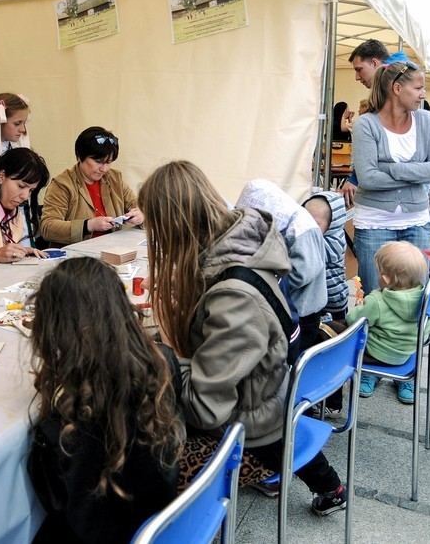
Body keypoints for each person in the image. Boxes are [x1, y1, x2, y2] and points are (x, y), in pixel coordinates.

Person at [140, 160, 348, 516]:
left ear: (172, 225)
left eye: (154, 229)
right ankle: (330, 486)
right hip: (266, 400)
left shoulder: (234, 294)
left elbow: (205, 409)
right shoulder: (238, 246)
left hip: (247, 428)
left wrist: (168, 346)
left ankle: (172, 524)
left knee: (132, 461)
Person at [27, 256, 182, 543]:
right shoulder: (162, 365)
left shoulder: (64, 423)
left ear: (52, 332)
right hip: (160, 520)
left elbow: (52, 501)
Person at [351, 61, 430, 295]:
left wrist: (392, 168)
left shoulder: (426, 120)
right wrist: (418, 173)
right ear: (397, 88)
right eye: (418, 88)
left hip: (417, 221)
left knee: (417, 295)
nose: (423, 95)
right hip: (374, 222)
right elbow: (368, 179)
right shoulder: (366, 123)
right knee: (375, 295)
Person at [333, 241, 430, 404]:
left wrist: (360, 306)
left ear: (385, 279)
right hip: (407, 354)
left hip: (376, 353)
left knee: (334, 327)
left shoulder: (377, 300)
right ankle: (404, 379)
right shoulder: (425, 298)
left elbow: (353, 320)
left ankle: (360, 375)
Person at [236, 179, 327, 354]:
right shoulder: (291, 220)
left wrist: (266, 279)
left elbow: (302, 273)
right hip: (292, 309)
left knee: (296, 357)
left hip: (303, 312)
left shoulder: (301, 227)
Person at [40, 126, 144, 247]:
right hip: (76, 254)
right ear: (79, 156)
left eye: (108, 162)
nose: (104, 169)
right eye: (98, 161)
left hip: (111, 249)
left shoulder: (115, 179)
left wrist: (141, 215)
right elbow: (48, 227)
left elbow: (137, 205)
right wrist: (88, 225)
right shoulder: (62, 185)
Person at [341, 40, 410, 208]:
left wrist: (356, 178)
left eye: (359, 69)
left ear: (374, 63)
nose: (357, 77)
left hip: (396, 199)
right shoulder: (403, 79)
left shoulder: (393, 90)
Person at [302, 191, 349, 418]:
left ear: (333, 223)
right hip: (323, 303)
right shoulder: (323, 236)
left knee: (329, 353)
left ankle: (333, 402)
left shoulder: (332, 242)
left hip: (332, 305)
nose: (308, 227)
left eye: (315, 223)